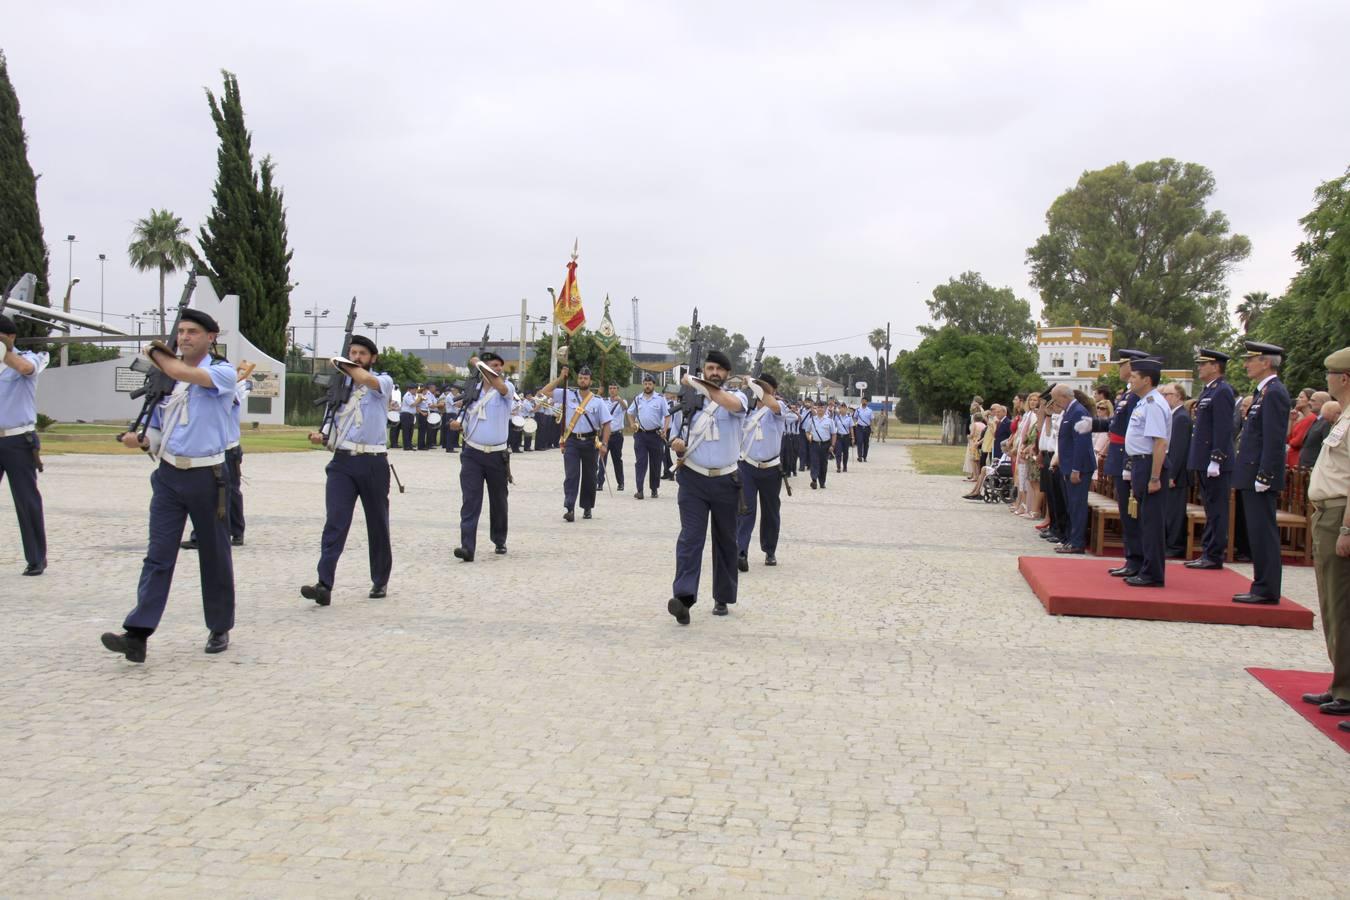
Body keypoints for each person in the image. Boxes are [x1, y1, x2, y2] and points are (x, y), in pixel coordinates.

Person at [102, 309, 237, 662]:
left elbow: (181, 370)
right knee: (158, 554)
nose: (185, 337)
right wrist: (143, 441)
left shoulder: (221, 372)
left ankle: (219, 626)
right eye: (180, 331)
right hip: (168, 475)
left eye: (193, 331)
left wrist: (156, 353)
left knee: (214, 554)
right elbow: (162, 427)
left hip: (207, 476)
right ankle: (138, 632)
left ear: (211, 336)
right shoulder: (167, 380)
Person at [299, 336, 394, 606]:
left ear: (372, 358)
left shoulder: (382, 382)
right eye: (352, 352)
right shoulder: (339, 389)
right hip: (342, 462)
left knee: (377, 523)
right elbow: (332, 423)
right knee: (335, 522)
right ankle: (324, 583)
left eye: (362, 353)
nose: (356, 357)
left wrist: (346, 365)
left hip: (372, 460)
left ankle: (380, 579)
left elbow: (369, 381)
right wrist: (322, 437)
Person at [667, 350, 748, 624]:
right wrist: (677, 447)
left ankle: (722, 597)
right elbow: (676, 436)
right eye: (709, 368)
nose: (714, 372)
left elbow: (729, 403)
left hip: (726, 479)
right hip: (693, 479)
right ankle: (684, 598)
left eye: (719, 369)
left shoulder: (737, 397)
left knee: (726, 540)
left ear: (727, 373)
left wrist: (700, 385)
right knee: (690, 539)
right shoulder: (688, 399)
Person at [1301, 348, 1350, 725]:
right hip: (1326, 512)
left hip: (1339, 516)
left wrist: (1347, 527)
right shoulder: (1342, 418)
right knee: (1331, 605)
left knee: (1341, 604)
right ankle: (1339, 683)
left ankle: (1346, 688)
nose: (1327, 382)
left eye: (1331, 375)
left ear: (1343, 378)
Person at [1233, 341, 1292, 605]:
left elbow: (1273, 439)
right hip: (1250, 472)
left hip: (1260, 475)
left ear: (1266, 362)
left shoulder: (1275, 392)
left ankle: (1266, 588)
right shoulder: (1262, 392)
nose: (1246, 364)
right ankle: (1261, 584)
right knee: (1256, 532)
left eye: (1251, 359)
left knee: (1263, 532)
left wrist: (1265, 475)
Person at [1087, 350, 1152, 577]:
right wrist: (1094, 424)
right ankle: (1131, 558)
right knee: (1126, 512)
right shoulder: (1127, 395)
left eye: (1124, 365)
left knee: (1132, 512)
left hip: (1127, 454)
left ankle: (1137, 560)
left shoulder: (1137, 396)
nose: (1121, 369)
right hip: (1118, 454)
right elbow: (1115, 424)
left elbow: (1131, 431)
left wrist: (1128, 462)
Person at [181, 360, 254, 551]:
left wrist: (236, 380)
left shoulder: (233, 388)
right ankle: (200, 535)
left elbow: (244, 388)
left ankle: (236, 531)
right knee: (205, 492)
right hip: (215, 448)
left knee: (231, 492)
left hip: (229, 447)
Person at [450, 351, 513, 562]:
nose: (498, 369)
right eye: (494, 365)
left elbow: (501, 386)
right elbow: (468, 416)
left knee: (498, 500)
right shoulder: (472, 390)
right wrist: (458, 425)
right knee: (470, 500)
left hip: (496, 455)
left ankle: (499, 538)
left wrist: (478, 364)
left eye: (500, 366)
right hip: (472, 454)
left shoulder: (506, 389)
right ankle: (467, 546)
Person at [0, 314, 49, 576]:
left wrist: (3, 351)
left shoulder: (29, 358)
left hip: (18, 439)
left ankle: (36, 557)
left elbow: (25, 370)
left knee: (26, 500)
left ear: (10, 337)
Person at [1183, 349, 1238, 570]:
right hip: (1204, 458)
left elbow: (1224, 428)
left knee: (1216, 509)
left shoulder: (1222, 391)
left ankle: (1214, 554)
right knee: (1209, 507)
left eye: (1203, 364)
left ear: (1215, 366)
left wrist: (1217, 457)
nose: (1199, 368)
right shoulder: (1209, 391)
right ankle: (1208, 551)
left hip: (1215, 461)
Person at [1119, 360, 1172, 583]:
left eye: (1134, 376)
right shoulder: (1143, 402)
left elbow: (1159, 443)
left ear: (1147, 380)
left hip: (1150, 463)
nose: (1130, 380)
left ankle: (1152, 573)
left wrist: (1154, 477)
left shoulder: (1153, 403)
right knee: (1143, 520)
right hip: (1140, 463)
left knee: (1151, 523)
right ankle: (1142, 565)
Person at [537, 364, 611, 521]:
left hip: (591, 442)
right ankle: (569, 507)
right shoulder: (567, 394)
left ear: (591, 381)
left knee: (590, 476)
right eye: (580, 377)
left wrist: (604, 444)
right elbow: (544, 392)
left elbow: (606, 424)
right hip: (572, 441)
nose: (582, 380)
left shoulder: (597, 401)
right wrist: (560, 378)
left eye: (586, 378)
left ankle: (587, 507)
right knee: (571, 475)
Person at [736, 373, 794, 571]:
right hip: (748, 467)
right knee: (745, 510)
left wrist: (753, 383)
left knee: (770, 512)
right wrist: (747, 387)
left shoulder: (778, 409)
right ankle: (740, 551)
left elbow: (775, 406)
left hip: (771, 469)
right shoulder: (747, 411)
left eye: (765, 389)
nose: (761, 392)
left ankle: (770, 550)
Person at [1051, 383, 1095, 554]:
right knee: (1071, 505)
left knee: (1077, 505)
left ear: (1063, 396)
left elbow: (1081, 443)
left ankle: (1077, 542)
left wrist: (1076, 468)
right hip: (1069, 466)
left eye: (1056, 399)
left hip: (1079, 467)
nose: (1056, 403)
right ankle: (1070, 538)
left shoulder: (1078, 412)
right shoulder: (1070, 411)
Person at [1161, 383, 1192, 559]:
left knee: (1174, 512)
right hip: (1171, 470)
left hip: (1177, 474)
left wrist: (1172, 474)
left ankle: (1175, 545)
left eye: (1168, 394)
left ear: (1179, 396)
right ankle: (1169, 542)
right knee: (1168, 511)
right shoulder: (1173, 416)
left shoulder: (1181, 417)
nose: (1165, 397)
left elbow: (1179, 449)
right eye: (1164, 394)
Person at [628, 372, 670, 499]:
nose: (647, 386)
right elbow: (630, 413)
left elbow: (667, 416)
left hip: (656, 435)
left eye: (649, 384)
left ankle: (654, 488)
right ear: (643, 384)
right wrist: (632, 424)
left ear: (654, 385)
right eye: (645, 383)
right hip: (641, 435)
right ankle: (639, 490)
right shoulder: (637, 399)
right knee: (640, 462)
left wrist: (665, 429)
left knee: (655, 463)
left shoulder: (660, 399)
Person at [596, 382, 626, 492]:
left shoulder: (621, 401)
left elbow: (625, 408)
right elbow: (595, 403)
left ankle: (620, 483)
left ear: (617, 389)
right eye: (610, 388)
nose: (612, 390)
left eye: (614, 388)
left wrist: (619, 400)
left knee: (617, 459)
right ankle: (599, 483)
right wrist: (599, 393)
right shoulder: (604, 401)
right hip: (605, 435)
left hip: (617, 434)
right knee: (602, 459)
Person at [803, 399, 835, 490]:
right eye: (818, 407)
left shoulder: (829, 420)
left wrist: (832, 445)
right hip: (814, 444)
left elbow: (833, 434)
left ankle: (822, 482)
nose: (820, 409)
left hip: (825, 445)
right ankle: (814, 480)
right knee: (814, 462)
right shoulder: (811, 420)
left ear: (825, 409)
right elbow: (807, 431)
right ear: (816, 409)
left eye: (822, 407)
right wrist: (808, 437)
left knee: (823, 464)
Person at [1297, 391, 1334, 469]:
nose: (1309, 403)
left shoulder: (1327, 422)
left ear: (1324, 403)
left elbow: (1326, 448)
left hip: (1314, 468)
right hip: (1305, 468)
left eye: (1313, 400)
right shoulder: (1318, 420)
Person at [398, 384, 417, 451]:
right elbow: (412, 404)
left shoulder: (412, 396)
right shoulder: (407, 395)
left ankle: (409, 445)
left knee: (410, 431)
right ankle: (406, 446)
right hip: (406, 414)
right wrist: (420, 399)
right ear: (410, 389)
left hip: (411, 415)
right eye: (414, 389)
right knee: (406, 431)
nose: (415, 391)